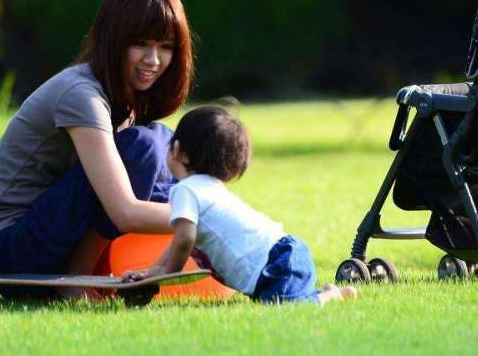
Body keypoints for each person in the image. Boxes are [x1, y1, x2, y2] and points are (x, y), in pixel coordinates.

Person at [0, 0, 194, 299]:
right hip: (11, 250)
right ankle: (76, 280)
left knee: (162, 142)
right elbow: (124, 211)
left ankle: (93, 270)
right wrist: (204, 217)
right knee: (145, 148)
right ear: (114, 40)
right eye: (141, 44)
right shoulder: (80, 94)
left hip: (51, 233)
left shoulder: (127, 97)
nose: (153, 60)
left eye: (165, 47)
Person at [122, 106, 358, 305]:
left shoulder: (185, 189)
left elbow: (184, 239)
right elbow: (179, 241)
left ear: (177, 151)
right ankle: (319, 294)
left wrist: (168, 272)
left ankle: (329, 296)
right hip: (284, 255)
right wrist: (154, 270)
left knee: (284, 309)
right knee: (275, 302)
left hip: (278, 262)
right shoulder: (206, 187)